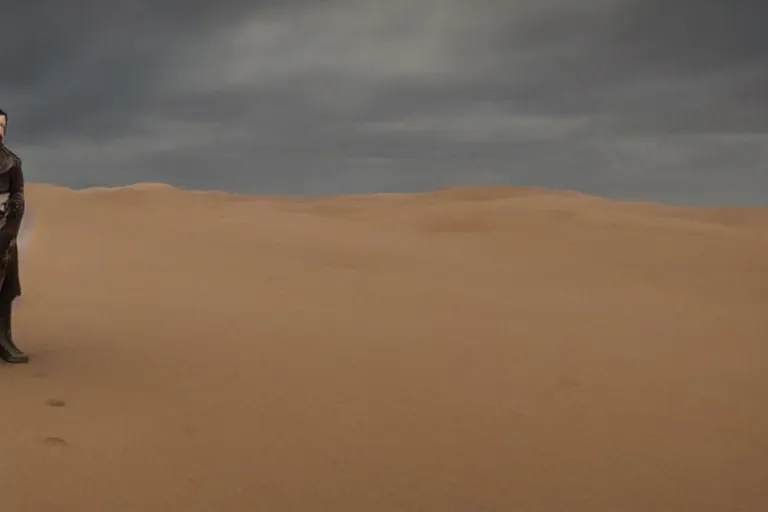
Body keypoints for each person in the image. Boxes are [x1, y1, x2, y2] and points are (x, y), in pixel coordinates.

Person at [0, 109, 29, 363]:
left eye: (2, 126)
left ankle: (4, 339)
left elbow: (18, 199)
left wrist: (9, 233)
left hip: (3, 234)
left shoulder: (12, 163)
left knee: (5, 289)